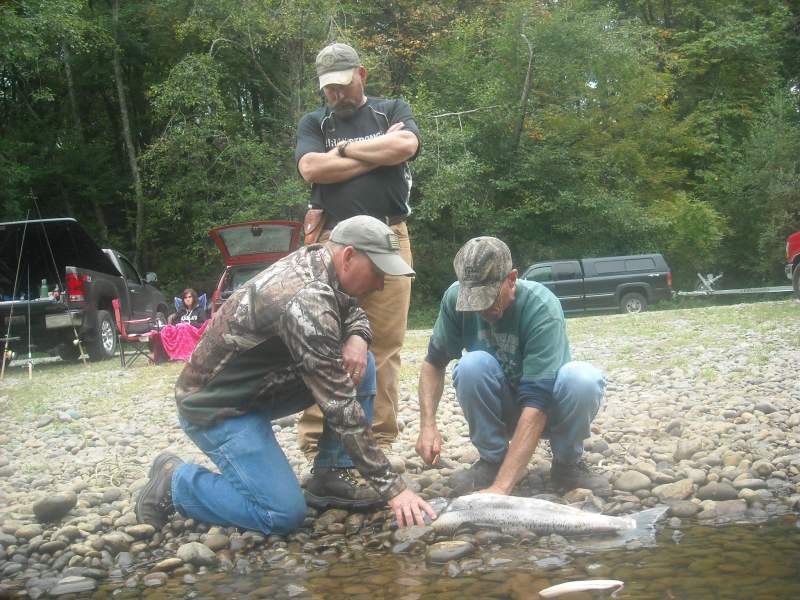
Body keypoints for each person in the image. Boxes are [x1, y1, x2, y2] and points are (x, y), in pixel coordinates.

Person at [136, 216, 435, 535]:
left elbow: (352, 310)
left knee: (362, 362)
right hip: (216, 407)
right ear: (348, 256)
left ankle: (331, 474)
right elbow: (340, 407)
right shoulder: (307, 298)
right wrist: (394, 490)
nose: (380, 284)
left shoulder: (323, 261)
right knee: (282, 515)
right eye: (377, 272)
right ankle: (176, 482)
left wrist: (358, 338)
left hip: (255, 389)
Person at [294, 42, 420, 460]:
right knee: (320, 336)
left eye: (343, 86)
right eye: (329, 89)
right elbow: (311, 168)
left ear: (361, 74)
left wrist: (344, 152)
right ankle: (316, 442)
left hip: (388, 236)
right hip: (331, 241)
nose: (336, 96)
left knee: (384, 342)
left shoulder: (392, 108)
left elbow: (404, 148)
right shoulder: (315, 121)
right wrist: (374, 154)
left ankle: (379, 441)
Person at [415, 237, 611, 497]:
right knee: (470, 365)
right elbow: (433, 364)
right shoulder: (453, 298)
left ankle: (567, 465)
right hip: (503, 408)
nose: (483, 308)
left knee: (583, 379)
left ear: (512, 278)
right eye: (474, 299)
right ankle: (492, 461)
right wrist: (427, 425)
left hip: (549, 409)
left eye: (490, 297)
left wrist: (501, 488)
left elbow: (538, 402)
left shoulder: (541, 305)